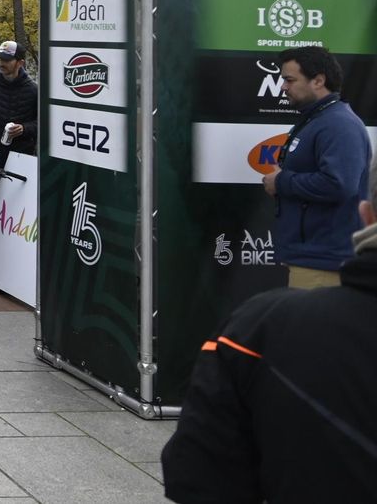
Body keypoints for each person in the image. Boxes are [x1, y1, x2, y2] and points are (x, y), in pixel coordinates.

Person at [160, 153, 377, 502]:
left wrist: (284, 182)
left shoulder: (259, 331)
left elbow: (197, 477)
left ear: (365, 216)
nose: (283, 92)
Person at [264, 45, 372, 289]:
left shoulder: (338, 125)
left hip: (324, 264)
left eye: (289, 80)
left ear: (318, 80)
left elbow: (339, 184)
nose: (283, 87)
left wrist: (281, 182)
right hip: (311, 259)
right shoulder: (318, 120)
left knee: (311, 329)